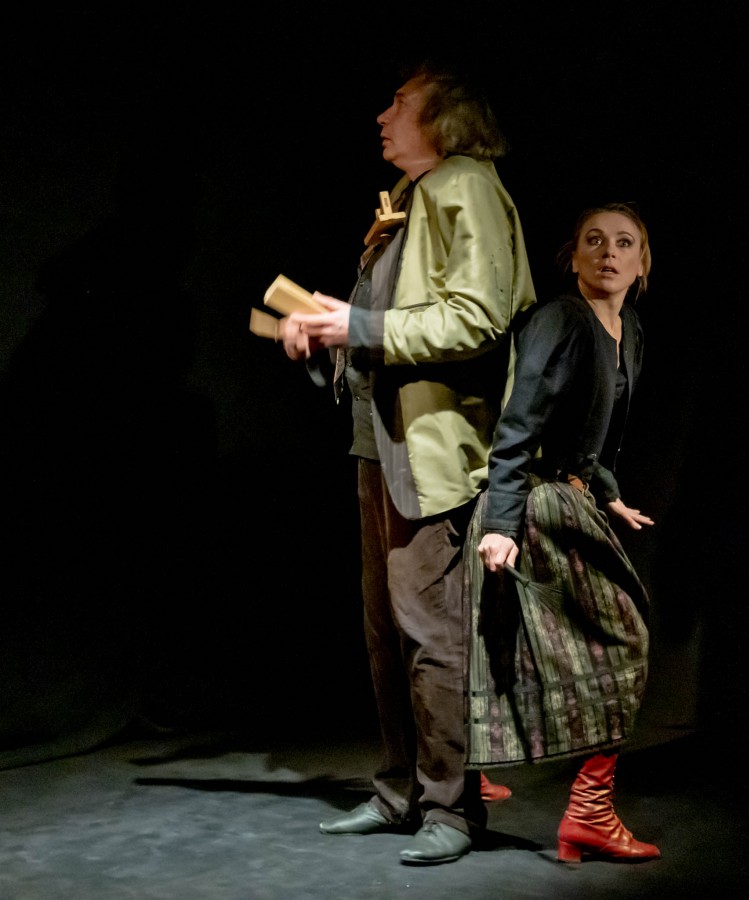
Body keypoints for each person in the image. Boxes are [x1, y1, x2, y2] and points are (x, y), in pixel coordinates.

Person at [278, 60, 535, 866]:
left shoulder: (465, 186)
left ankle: (452, 810)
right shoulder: (413, 197)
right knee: (386, 631)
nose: (383, 115)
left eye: (400, 102)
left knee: (430, 632)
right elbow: (387, 319)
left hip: (430, 448)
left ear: (445, 119)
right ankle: (400, 793)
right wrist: (323, 332)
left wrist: (356, 325)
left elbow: (477, 316)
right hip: (380, 441)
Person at [464, 203, 661, 864]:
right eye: (594, 241)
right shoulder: (561, 319)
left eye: (625, 243)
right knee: (614, 637)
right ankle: (578, 810)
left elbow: (588, 439)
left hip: (569, 497)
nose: (609, 253)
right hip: (531, 503)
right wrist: (500, 524)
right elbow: (519, 424)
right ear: (571, 257)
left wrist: (608, 492)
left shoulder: (628, 328)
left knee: (516, 645)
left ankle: (579, 809)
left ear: (642, 262)